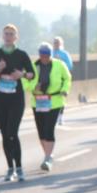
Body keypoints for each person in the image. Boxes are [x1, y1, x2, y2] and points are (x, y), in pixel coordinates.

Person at [0, 24, 35, 181]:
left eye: (11, 34)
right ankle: (10, 168)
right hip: (0, 99)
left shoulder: (21, 54)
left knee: (12, 133)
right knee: (4, 134)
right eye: (6, 34)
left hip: (16, 99)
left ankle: (19, 167)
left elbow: (32, 74)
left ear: (16, 37)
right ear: (2, 36)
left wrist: (21, 74)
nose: (8, 36)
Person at [30, 43, 71, 172]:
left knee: (49, 128)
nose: (44, 58)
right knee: (41, 131)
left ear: (51, 55)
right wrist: (32, 87)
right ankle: (48, 154)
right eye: (42, 55)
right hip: (38, 101)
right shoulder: (33, 66)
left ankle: (47, 158)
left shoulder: (59, 64)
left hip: (54, 101)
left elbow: (67, 78)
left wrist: (65, 89)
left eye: (47, 55)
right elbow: (25, 80)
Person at [52, 37, 73, 126]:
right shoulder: (50, 53)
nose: (56, 44)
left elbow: (70, 65)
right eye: (55, 42)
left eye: (58, 43)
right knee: (52, 97)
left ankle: (60, 116)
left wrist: (61, 65)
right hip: (52, 79)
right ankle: (53, 116)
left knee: (61, 97)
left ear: (61, 44)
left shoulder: (64, 54)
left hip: (62, 79)